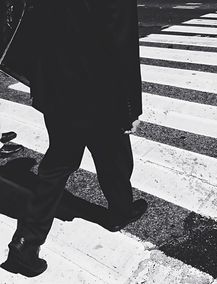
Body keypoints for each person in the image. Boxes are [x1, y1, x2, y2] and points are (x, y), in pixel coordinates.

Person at [1, 0, 147, 277]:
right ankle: (120, 212)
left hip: (58, 87)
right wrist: (131, 108)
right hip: (100, 89)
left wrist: (42, 87)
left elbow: (36, 28)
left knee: (58, 162)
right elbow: (123, 43)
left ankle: (25, 243)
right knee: (114, 155)